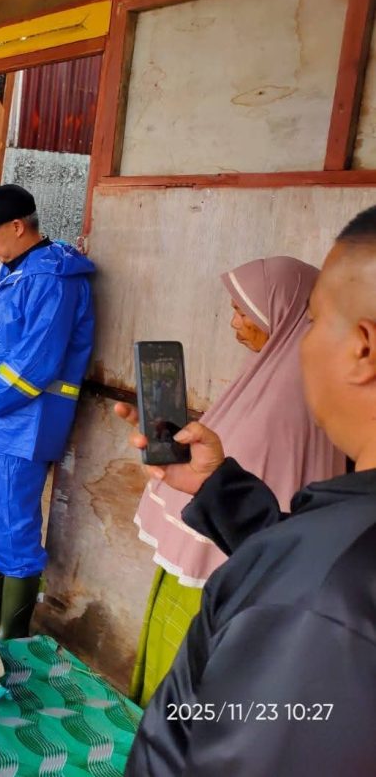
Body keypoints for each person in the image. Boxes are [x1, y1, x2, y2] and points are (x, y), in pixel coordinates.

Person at [118, 207, 376, 775]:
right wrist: (222, 492)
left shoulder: (315, 604)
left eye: (314, 320)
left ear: (362, 348)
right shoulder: (337, 545)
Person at [129, 257, 344, 706]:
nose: (234, 322)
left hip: (224, 566)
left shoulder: (289, 389)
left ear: (283, 311)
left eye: (244, 311)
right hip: (237, 554)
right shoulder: (278, 371)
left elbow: (253, 472)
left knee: (186, 687)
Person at [0, 184, 95, 639]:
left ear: (18, 227)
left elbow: (35, 363)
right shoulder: (17, 268)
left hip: (20, 425)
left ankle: (14, 632)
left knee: (13, 525)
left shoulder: (52, 279)